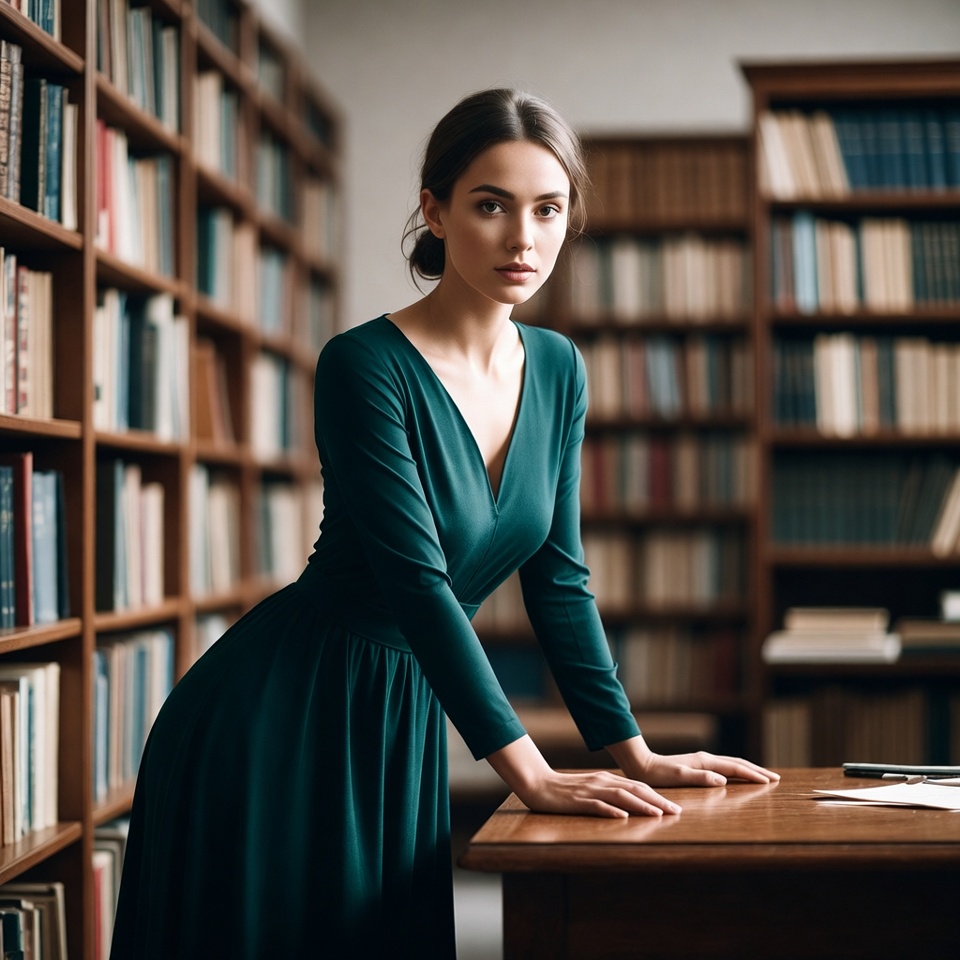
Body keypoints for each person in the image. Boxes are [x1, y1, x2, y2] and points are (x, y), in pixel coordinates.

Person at [109, 87, 778, 959]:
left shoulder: (560, 368)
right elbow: (418, 585)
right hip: (286, 712)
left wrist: (634, 753)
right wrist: (529, 772)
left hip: (408, 713)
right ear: (435, 208)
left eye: (547, 209)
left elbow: (559, 579)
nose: (522, 238)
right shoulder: (362, 365)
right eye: (490, 205)